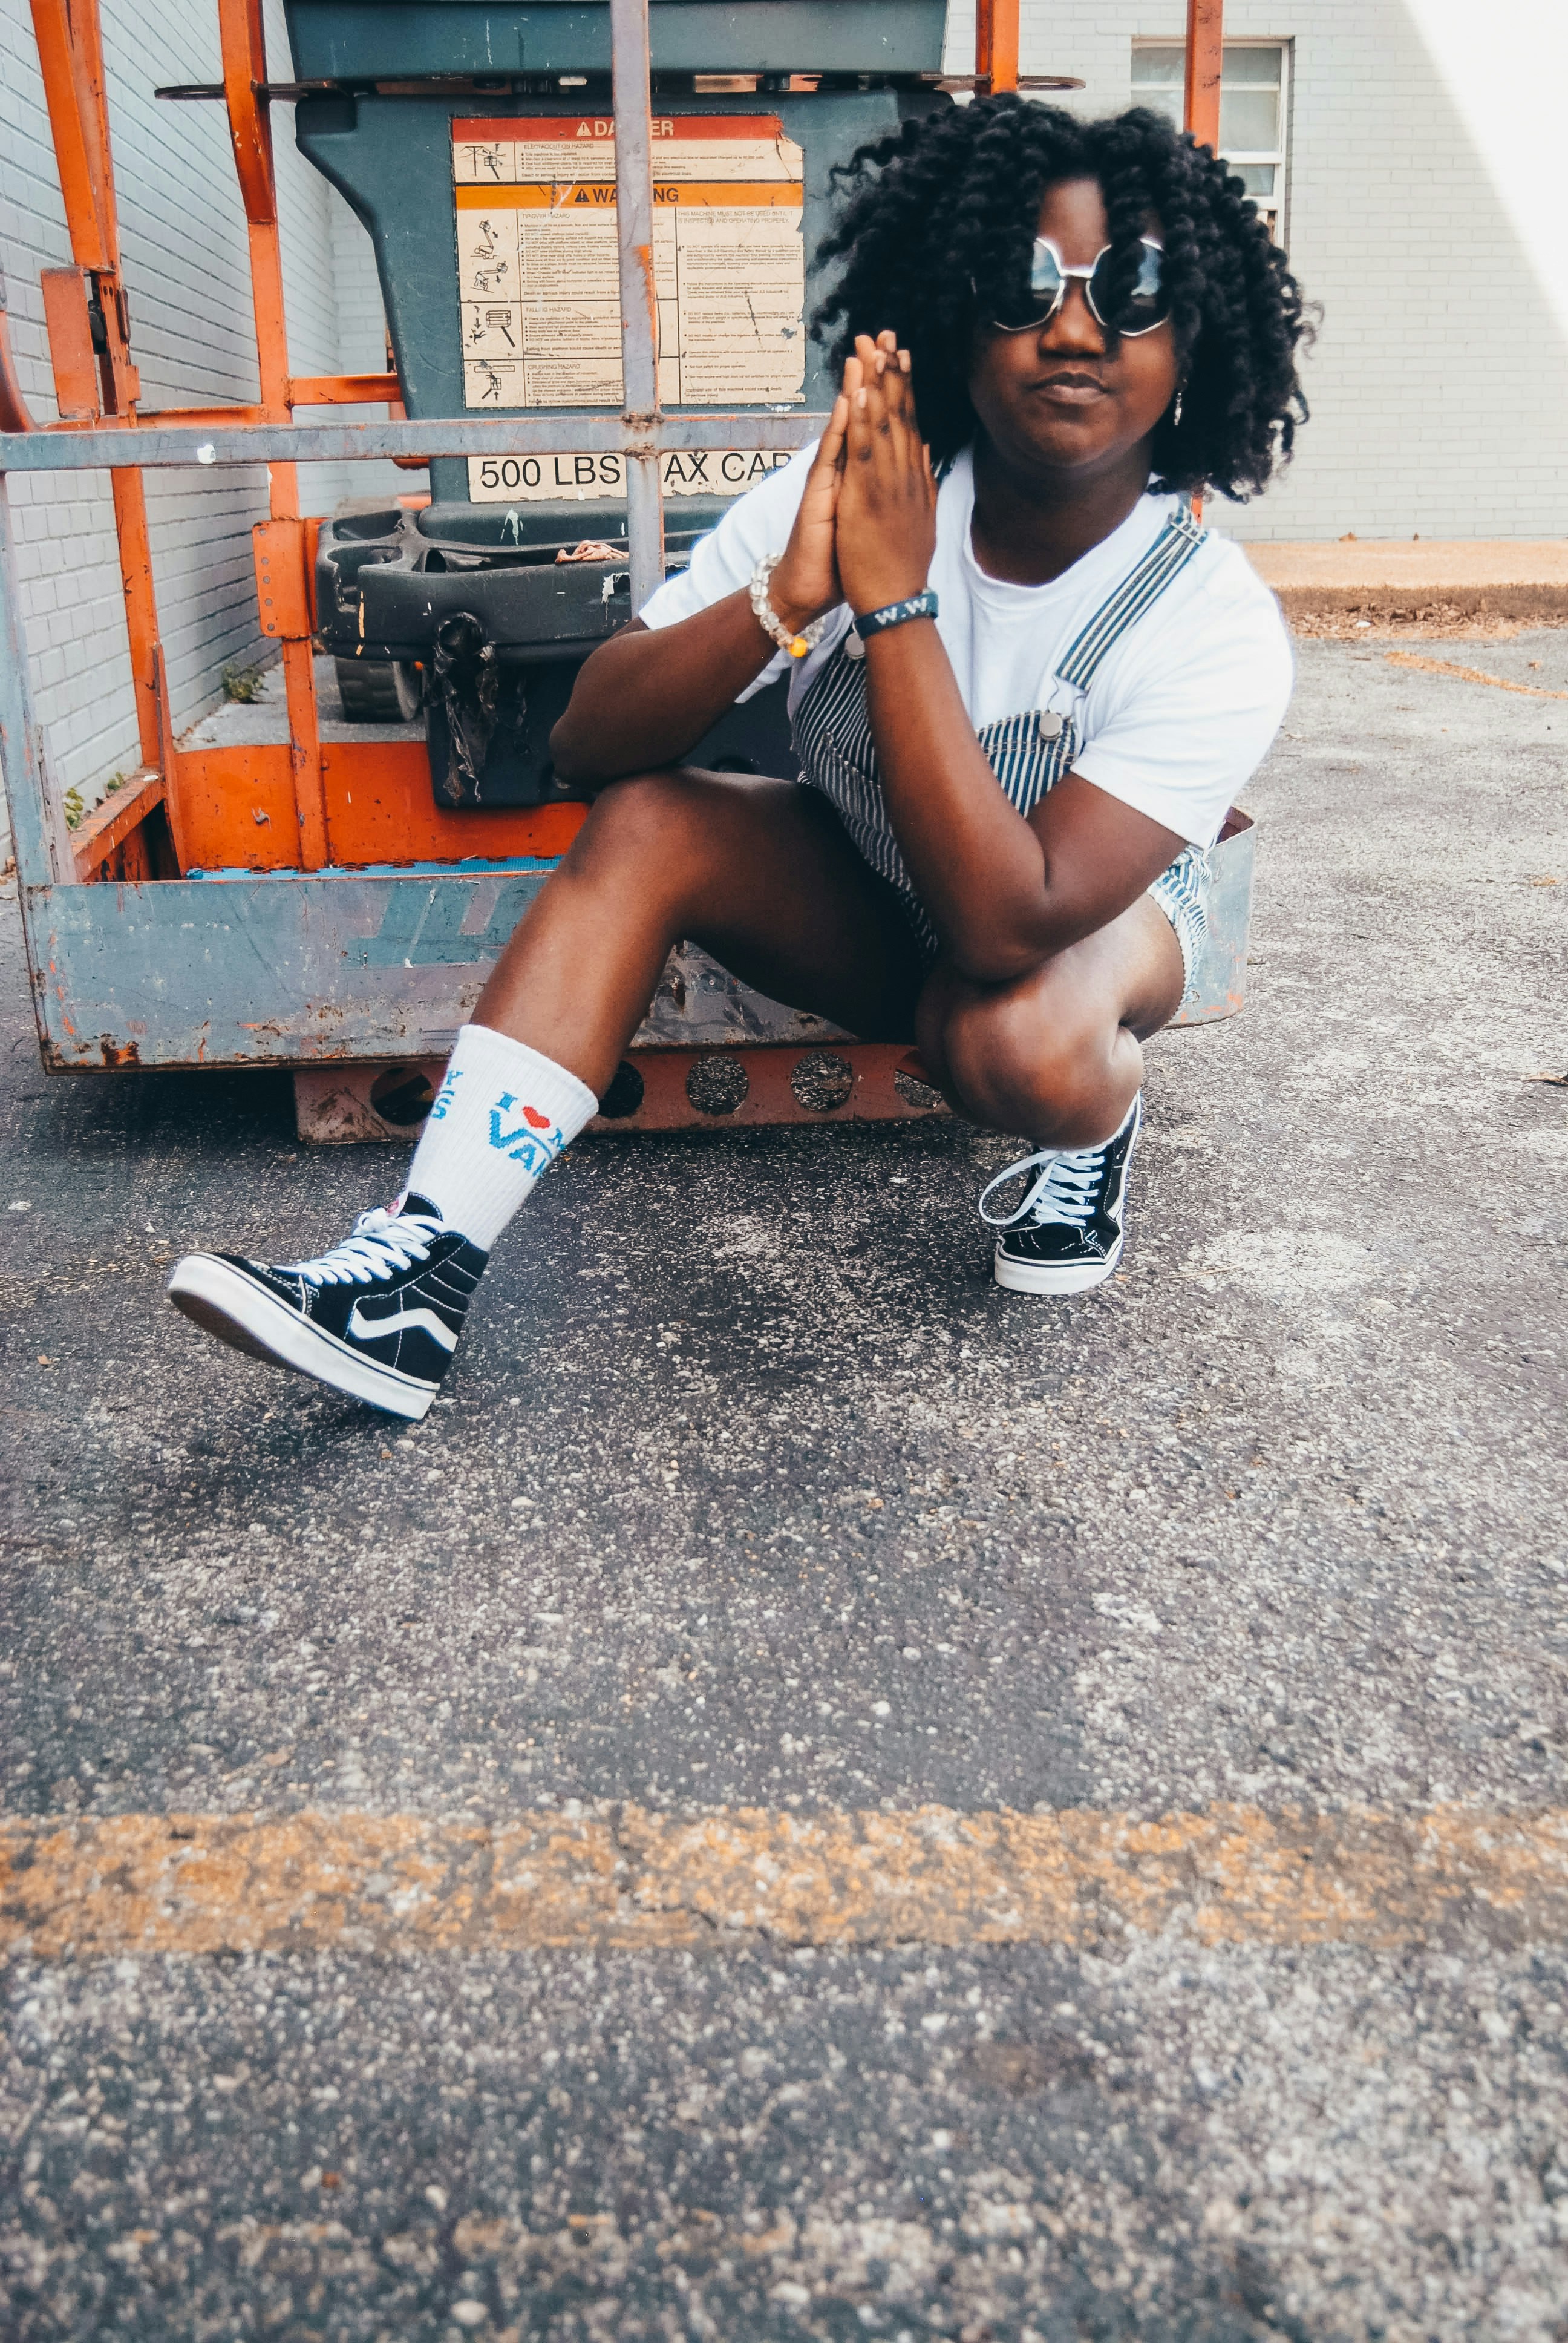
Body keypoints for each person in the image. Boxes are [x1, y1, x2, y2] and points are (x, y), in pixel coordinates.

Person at [167, 96, 1310, 1423]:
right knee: (657, 818)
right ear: (953, 312)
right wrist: (791, 593)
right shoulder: (847, 496)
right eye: (1021, 284)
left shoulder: (1210, 621)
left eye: (1133, 287)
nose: (1072, 326)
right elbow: (587, 747)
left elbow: (1007, 922)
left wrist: (896, 610)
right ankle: (418, 1274)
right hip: (890, 906)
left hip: (1074, 938)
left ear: (1194, 337)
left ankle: (1097, 1128)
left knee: (1016, 1037)